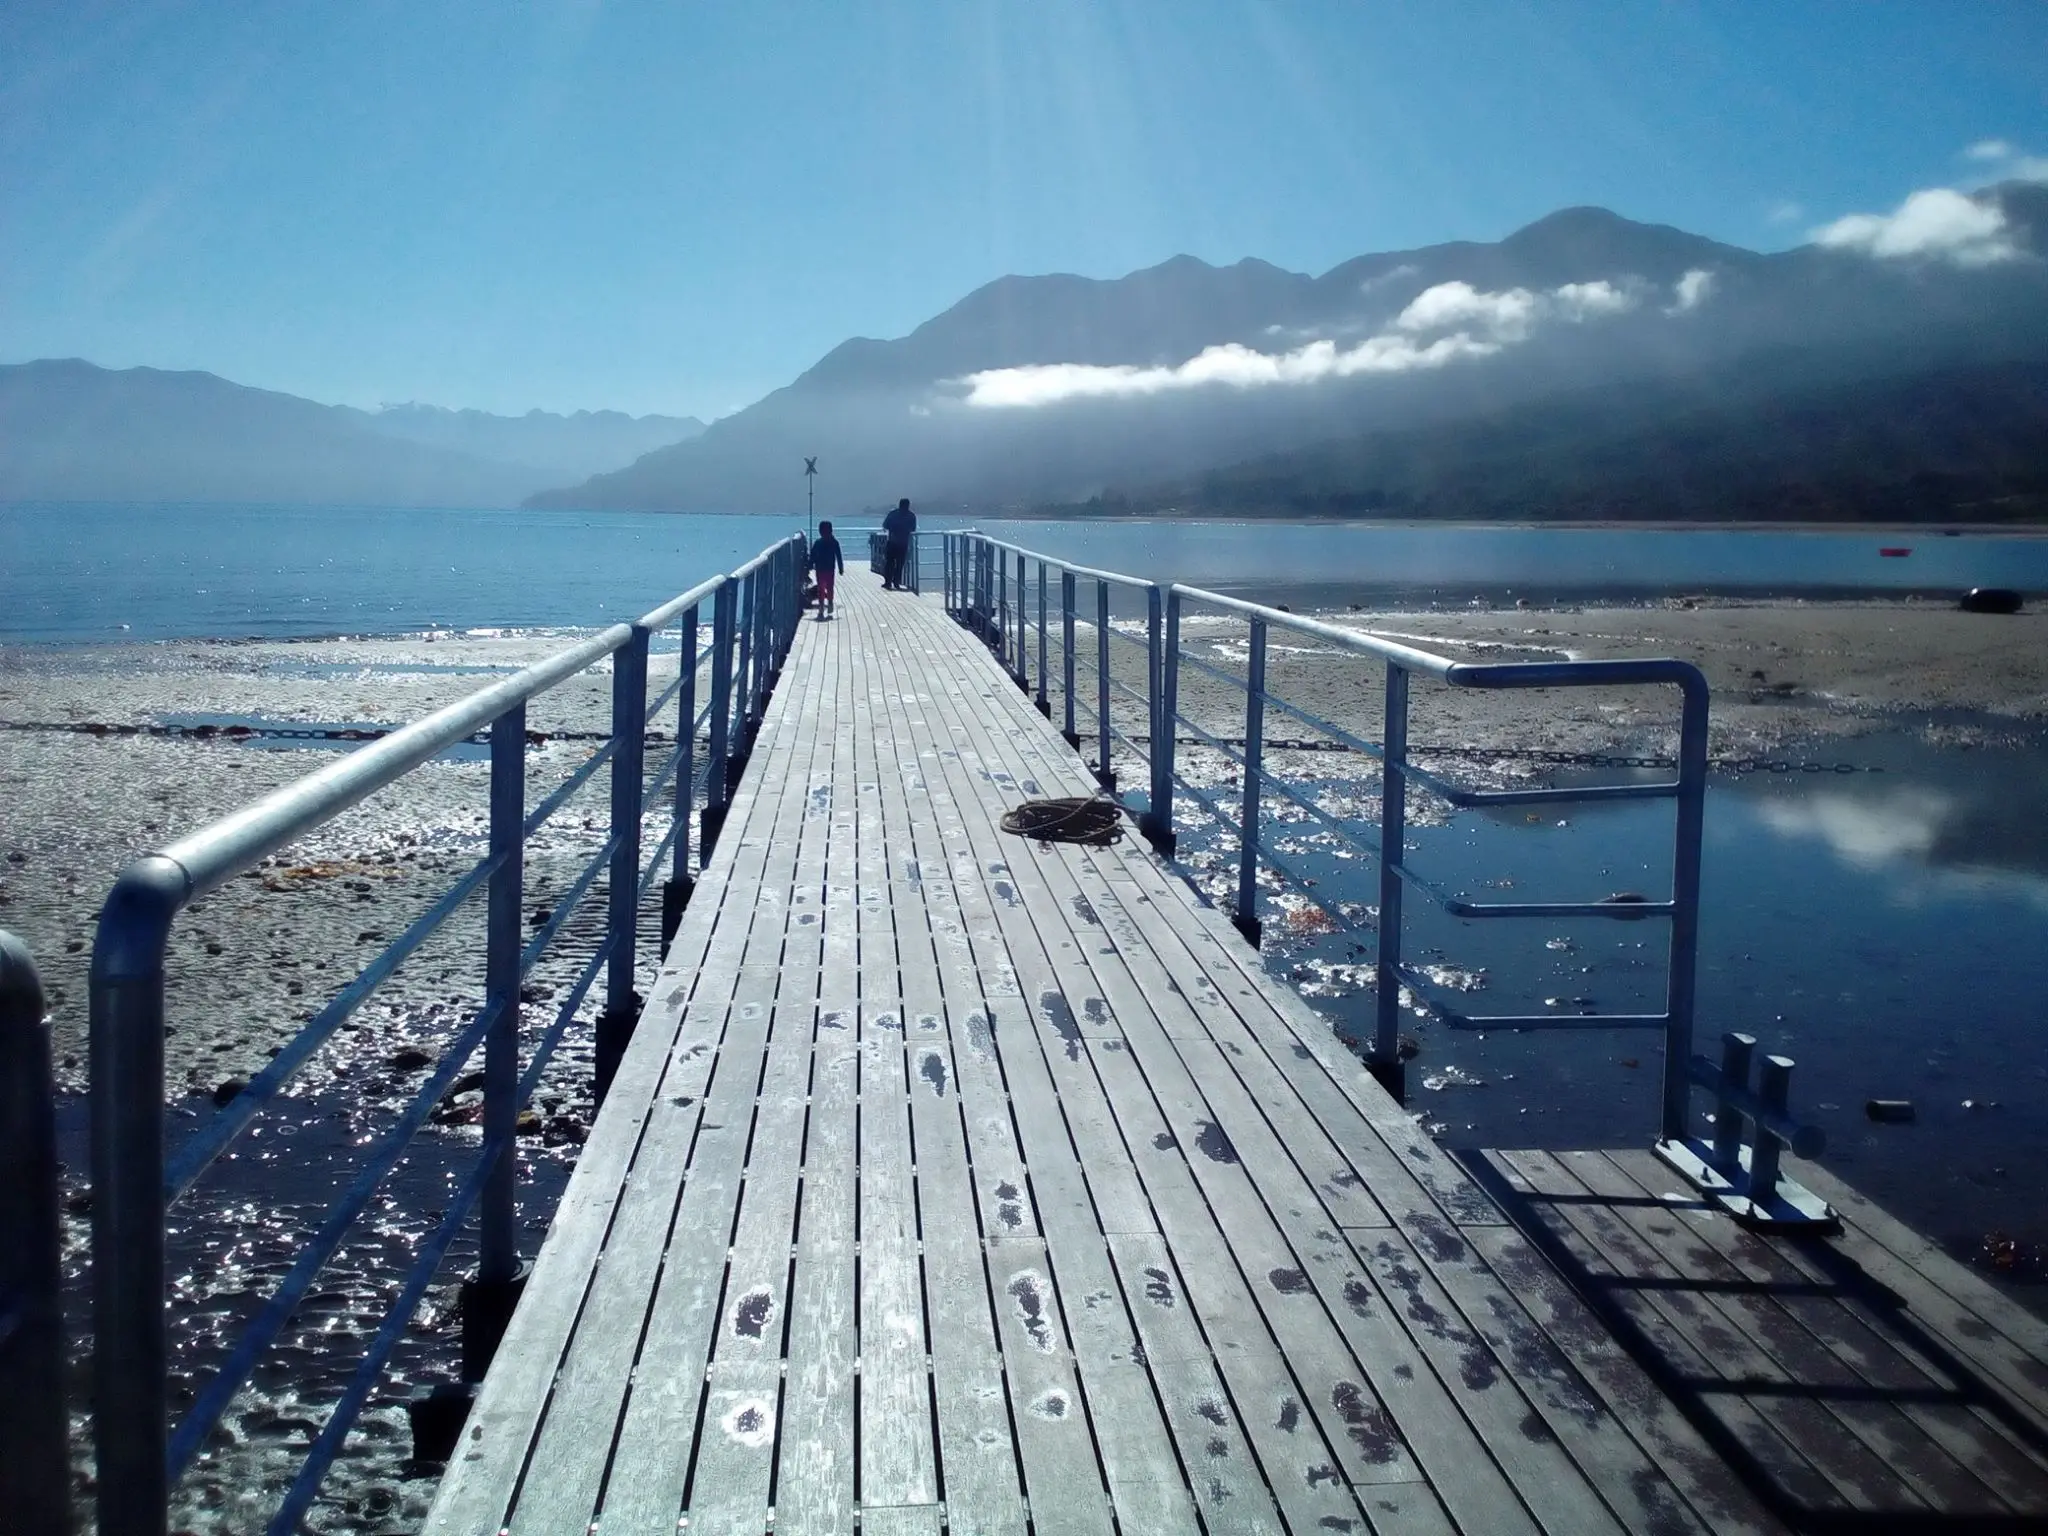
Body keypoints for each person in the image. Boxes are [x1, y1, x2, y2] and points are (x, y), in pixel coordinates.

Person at [810, 520, 844, 619]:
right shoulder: (828, 542)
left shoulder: (823, 543)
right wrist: (811, 563)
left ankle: (828, 602)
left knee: (828, 588)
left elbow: (838, 556)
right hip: (823, 569)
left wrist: (841, 567)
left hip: (826, 569)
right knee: (823, 588)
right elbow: (813, 555)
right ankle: (822, 606)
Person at [881, 497, 916, 590]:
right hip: (903, 543)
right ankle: (896, 582)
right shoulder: (911, 516)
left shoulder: (892, 514)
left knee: (889, 563)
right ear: (908, 505)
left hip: (892, 541)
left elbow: (885, 525)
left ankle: (887, 582)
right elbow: (913, 528)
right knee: (900, 564)